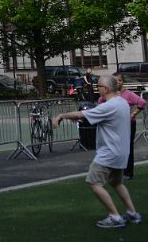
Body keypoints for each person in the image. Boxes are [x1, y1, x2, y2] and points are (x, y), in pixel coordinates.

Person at [55, 74, 141, 228]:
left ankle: (115, 217)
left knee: (93, 182)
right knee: (116, 182)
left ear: (106, 89)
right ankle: (132, 213)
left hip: (109, 152)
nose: (97, 89)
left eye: (99, 87)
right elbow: (97, 117)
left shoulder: (109, 105)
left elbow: (82, 114)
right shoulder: (121, 102)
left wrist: (62, 115)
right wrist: (83, 117)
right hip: (121, 151)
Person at [98, 74, 144, 180]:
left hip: (128, 125)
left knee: (127, 149)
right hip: (114, 125)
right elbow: (101, 101)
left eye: (120, 80)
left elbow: (141, 102)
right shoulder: (110, 94)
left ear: (123, 81)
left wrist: (133, 114)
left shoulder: (128, 94)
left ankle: (128, 173)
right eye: (115, 81)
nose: (118, 82)